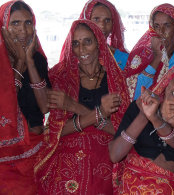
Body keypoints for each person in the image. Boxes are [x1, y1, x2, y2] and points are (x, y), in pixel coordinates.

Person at [34, 20, 129, 194]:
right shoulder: (62, 77)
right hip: (68, 148)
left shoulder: (115, 80)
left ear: (99, 43)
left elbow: (122, 133)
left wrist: (72, 106)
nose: (82, 49)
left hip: (105, 150)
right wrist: (100, 114)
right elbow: (56, 132)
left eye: (87, 42)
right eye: (76, 44)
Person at [109, 62, 174, 194]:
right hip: (132, 186)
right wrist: (145, 114)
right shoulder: (140, 107)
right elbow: (115, 155)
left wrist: (155, 119)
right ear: (167, 82)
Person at [0, 1, 50, 194]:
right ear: (3, 26)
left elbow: (45, 106)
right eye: (15, 23)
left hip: (36, 149)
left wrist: (28, 60)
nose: (23, 29)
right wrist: (19, 64)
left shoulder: (37, 58)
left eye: (28, 23)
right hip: (5, 158)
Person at [79, 0, 129, 69]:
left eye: (107, 20)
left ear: (113, 25)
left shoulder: (124, 59)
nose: (102, 25)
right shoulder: (75, 56)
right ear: (86, 22)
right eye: (96, 19)